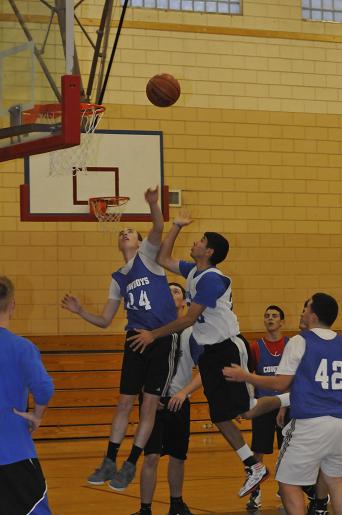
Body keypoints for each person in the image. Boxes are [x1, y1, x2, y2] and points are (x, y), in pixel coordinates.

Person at [128, 213, 269, 498]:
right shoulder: (193, 271)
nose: (196, 242)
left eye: (201, 240)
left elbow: (189, 319)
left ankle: (295, 392)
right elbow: (164, 259)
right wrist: (176, 228)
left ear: (210, 251)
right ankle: (253, 465)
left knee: (245, 408)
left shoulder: (213, 280)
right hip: (209, 353)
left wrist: (154, 334)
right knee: (220, 416)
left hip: (228, 347)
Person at [61, 187, 179, 492]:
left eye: (130, 231)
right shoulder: (118, 278)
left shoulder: (149, 258)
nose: (125, 234)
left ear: (139, 242)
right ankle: (110, 460)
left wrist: (154, 204)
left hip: (160, 340)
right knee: (124, 402)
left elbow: (157, 226)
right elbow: (104, 321)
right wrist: (79, 311)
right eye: (121, 232)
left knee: (149, 406)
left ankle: (131, 463)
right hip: (133, 340)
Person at [223, 292, 342, 515]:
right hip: (339, 424)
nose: (302, 312)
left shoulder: (300, 341)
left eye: (306, 309)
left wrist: (246, 376)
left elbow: (281, 383)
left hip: (310, 424)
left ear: (314, 315)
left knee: (287, 484)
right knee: (336, 482)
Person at [132, 282, 202, 515]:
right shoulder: (151, 331)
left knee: (178, 456)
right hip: (153, 401)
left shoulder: (192, 333)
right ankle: (145, 509)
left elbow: (204, 372)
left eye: (176, 291)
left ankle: (176, 504)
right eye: (167, 291)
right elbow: (137, 370)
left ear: (184, 302)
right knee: (150, 456)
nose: (171, 294)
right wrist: (147, 394)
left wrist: (183, 393)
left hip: (178, 401)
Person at [0, 276, 54, 515]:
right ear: (12, 304)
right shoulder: (21, 347)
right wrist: (37, 415)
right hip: (13, 449)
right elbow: (44, 388)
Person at [246, 305, 289, 511]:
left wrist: (284, 403)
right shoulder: (256, 347)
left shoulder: (290, 345)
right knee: (258, 451)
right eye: (267, 316)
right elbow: (250, 376)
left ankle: (285, 488)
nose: (270, 319)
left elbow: (294, 378)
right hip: (263, 406)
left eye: (274, 316)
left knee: (287, 451)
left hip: (286, 406)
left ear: (282, 322)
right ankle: (255, 493)